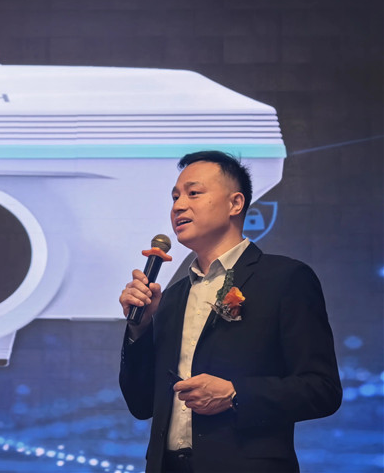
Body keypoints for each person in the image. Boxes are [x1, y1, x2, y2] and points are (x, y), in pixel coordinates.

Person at [118, 151, 342, 473]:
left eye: (194, 193)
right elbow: (141, 404)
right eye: (175, 197)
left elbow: (322, 390)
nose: (178, 206)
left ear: (235, 203)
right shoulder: (171, 297)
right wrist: (140, 327)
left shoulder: (285, 279)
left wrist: (236, 394)